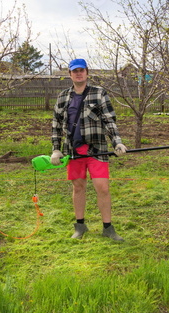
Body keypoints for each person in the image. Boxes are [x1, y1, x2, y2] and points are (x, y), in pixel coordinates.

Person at [51, 58, 127, 241]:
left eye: (81, 70)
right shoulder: (63, 97)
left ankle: (108, 228)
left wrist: (117, 142)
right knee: (78, 187)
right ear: (69, 74)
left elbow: (109, 120)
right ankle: (80, 226)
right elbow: (56, 125)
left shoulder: (99, 93)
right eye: (74, 71)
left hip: (97, 149)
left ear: (87, 73)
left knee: (102, 188)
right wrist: (56, 149)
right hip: (73, 151)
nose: (78, 73)